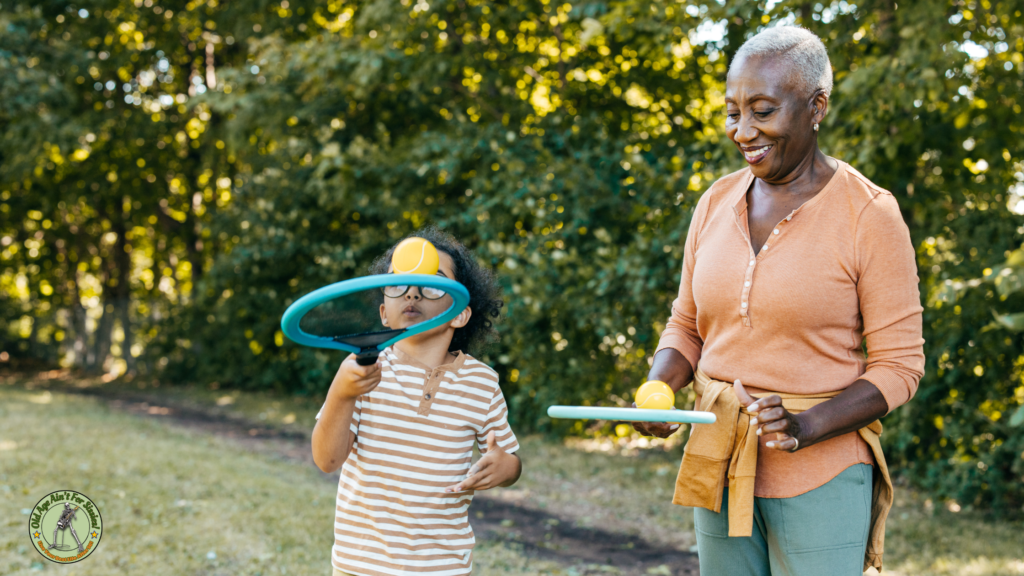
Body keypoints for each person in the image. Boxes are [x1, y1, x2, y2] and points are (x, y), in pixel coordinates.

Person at [632, 26, 924, 576]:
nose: (742, 131)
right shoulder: (716, 201)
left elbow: (900, 367)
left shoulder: (869, 215)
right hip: (719, 458)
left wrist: (804, 426)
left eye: (762, 111)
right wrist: (660, 386)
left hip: (822, 472)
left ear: (817, 106)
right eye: (732, 112)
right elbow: (686, 325)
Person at [312, 226, 522, 576]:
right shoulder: (364, 370)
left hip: (442, 568)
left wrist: (506, 468)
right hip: (361, 566)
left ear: (460, 312)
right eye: (399, 284)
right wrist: (341, 392)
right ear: (384, 313)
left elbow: (508, 459)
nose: (412, 293)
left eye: (432, 281)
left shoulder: (481, 383)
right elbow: (327, 459)